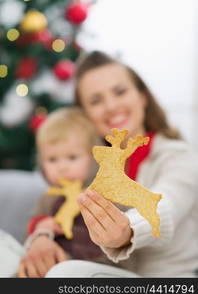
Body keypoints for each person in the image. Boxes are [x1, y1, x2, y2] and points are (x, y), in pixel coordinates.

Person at [46, 50, 198, 278]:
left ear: (142, 97)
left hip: (170, 280)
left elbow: (168, 205)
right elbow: (53, 206)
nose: (110, 106)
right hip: (113, 275)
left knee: (65, 274)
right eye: (96, 100)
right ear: (86, 115)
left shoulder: (179, 157)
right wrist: (41, 236)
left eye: (120, 92)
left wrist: (128, 230)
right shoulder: (89, 166)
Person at [18, 107, 109, 278]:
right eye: (52, 159)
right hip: (52, 262)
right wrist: (40, 230)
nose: (62, 167)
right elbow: (29, 234)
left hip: (97, 266)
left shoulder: (103, 192)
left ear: (93, 158)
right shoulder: (48, 198)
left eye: (72, 157)